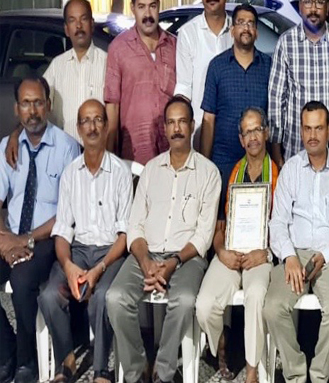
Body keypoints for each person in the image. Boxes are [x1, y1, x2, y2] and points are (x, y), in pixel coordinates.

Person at [106, 96, 220, 383]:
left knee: (184, 300)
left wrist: (173, 262)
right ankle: (136, 371)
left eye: (182, 122)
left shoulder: (209, 173)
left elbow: (203, 235)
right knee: (115, 298)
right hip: (146, 255)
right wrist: (145, 262)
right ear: (165, 128)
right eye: (171, 123)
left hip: (187, 258)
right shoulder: (151, 170)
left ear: (192, 125)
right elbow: (135, 226)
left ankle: (163, 370)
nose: (177, 129)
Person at [38, 99, 132, 383]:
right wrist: (68, 265)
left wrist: (99, 269)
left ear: (107, 126)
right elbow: (63, 231)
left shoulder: (120, 172)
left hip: (110, 253)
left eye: (98, 120)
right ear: (78, 128)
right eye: (86, 121)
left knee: (102, 296)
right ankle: (66, 358)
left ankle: (101, 370)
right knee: (49, 295)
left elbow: (124, 235)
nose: (92, 127)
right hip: (78, 251)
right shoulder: (70, 174)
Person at [264, 101, 329, 383]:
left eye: (318, 128)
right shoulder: (290, 169)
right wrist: (289, 256)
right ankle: (295, 374)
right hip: (296, 253)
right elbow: (278, 221)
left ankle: (319, 375)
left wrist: (325, 254)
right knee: (272, 308)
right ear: (301, 131)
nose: (312, 135)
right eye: (307, 128)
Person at [0, 77, 80, 383]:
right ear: (16, 109)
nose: (32, 111)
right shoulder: (6, 148)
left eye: (37, 103)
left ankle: (27, 362)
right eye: (25, 104)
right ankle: (6, 348)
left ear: (48, 105)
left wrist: (26, 239)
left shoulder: (67, 148)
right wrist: (4, 241)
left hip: (47, 237)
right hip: (11, 235)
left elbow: (67, 211)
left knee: (21, 280)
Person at [195, 106, 277, 383]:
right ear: (241, 139)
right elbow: (219, 227)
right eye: (247, 132)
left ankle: (252, 369)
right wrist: (221, 252)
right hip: (230, 252)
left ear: (266, 133)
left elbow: (284, 228)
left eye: (257, 130)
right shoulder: (231, 174)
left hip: (261, 255)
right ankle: (220, 339)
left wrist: (266, 253)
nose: (253, 137)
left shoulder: (278, 174)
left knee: (255, 294)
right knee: (205, 305)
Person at [4, 0, 105, 168]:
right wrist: (15, 135)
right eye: (72, 21)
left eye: (83, 19)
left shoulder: (108, 64)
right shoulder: (57, 66)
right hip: (65, 159)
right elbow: (36, 107)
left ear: (92, 24)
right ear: (66, 29)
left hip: (99, 158)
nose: (78, 26)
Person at [268, 0, 329, 166]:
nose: (313, 9)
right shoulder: (286, 44)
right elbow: (276, 100)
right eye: (308, 1)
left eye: (319, 2)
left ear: (327, 7)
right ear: (300, 6)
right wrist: (276, 150)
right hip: (295, 151)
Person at [201, 4, 272, 223]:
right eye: (240, 22)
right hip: (223, 161)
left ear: (256, 32)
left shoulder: (269, 66)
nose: (246, 28)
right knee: (221, 222)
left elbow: (275, 115)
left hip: (259, 163)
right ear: (232, 30)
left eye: (251, 23)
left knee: (257, 222)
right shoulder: (217, 66)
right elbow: (209, 118)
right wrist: (204, 164)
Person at [105, 0, 177, 165]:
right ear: (132, 8)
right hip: (134, 156)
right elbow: (112, 105)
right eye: (141, 7)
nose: (148, 14)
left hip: (171, 152)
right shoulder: (118, 48)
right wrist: (111, 157)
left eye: (152, 6)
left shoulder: (174, 46)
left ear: (159, 5)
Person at [174, 0, 233, 148]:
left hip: (233, 131)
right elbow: (184, 86)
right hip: (199, 131)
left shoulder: (237, 32)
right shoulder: (188, 34)